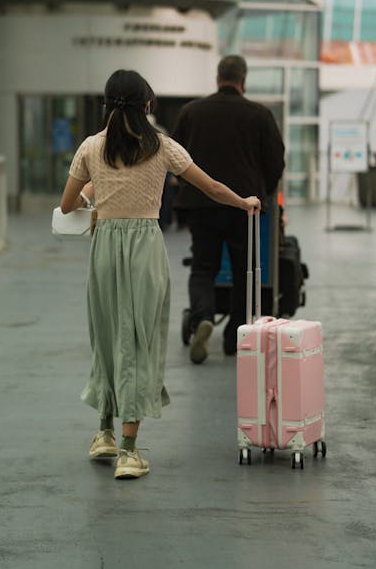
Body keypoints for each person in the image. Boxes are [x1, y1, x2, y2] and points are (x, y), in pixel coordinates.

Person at [60, 69, 260, 480]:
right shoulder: (164, 148)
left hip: (104, 249)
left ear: (106, 105)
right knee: (140, 339)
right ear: (146, 106)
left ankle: (104, 432)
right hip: (145, 249)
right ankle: (130, 453)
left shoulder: (91, 147)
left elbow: (67, 205)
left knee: (108, 334)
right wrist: (244, 202)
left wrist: (94, 194)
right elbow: (211, 188)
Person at [173, 55, 285, 364]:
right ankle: (235, 336)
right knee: (243, 270)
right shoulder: (259, 115)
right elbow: (276, 160)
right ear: (243, 80)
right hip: (244, 207)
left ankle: (203, 317)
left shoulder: (190, 113)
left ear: (217, 78)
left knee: (202, 267)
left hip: (200, 204)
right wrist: (265, 190)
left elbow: (175, 158)